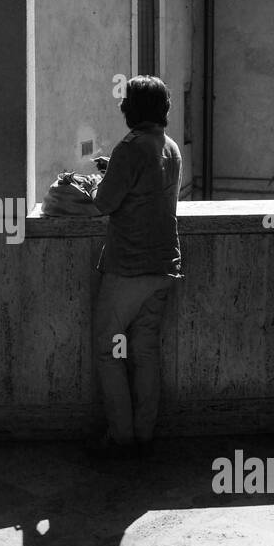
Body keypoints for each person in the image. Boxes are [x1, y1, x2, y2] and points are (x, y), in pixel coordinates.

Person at [89, 75, 183, 459]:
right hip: (164, 265)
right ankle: (144, 433)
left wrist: (100, 180)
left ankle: (121, 436)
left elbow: (104, 203)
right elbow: (147, 185)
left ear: (133, 109)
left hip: (129, 267)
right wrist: (117, 169)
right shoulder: (170, 147)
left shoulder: (130, 147)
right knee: (145, 350)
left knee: (107, 349)